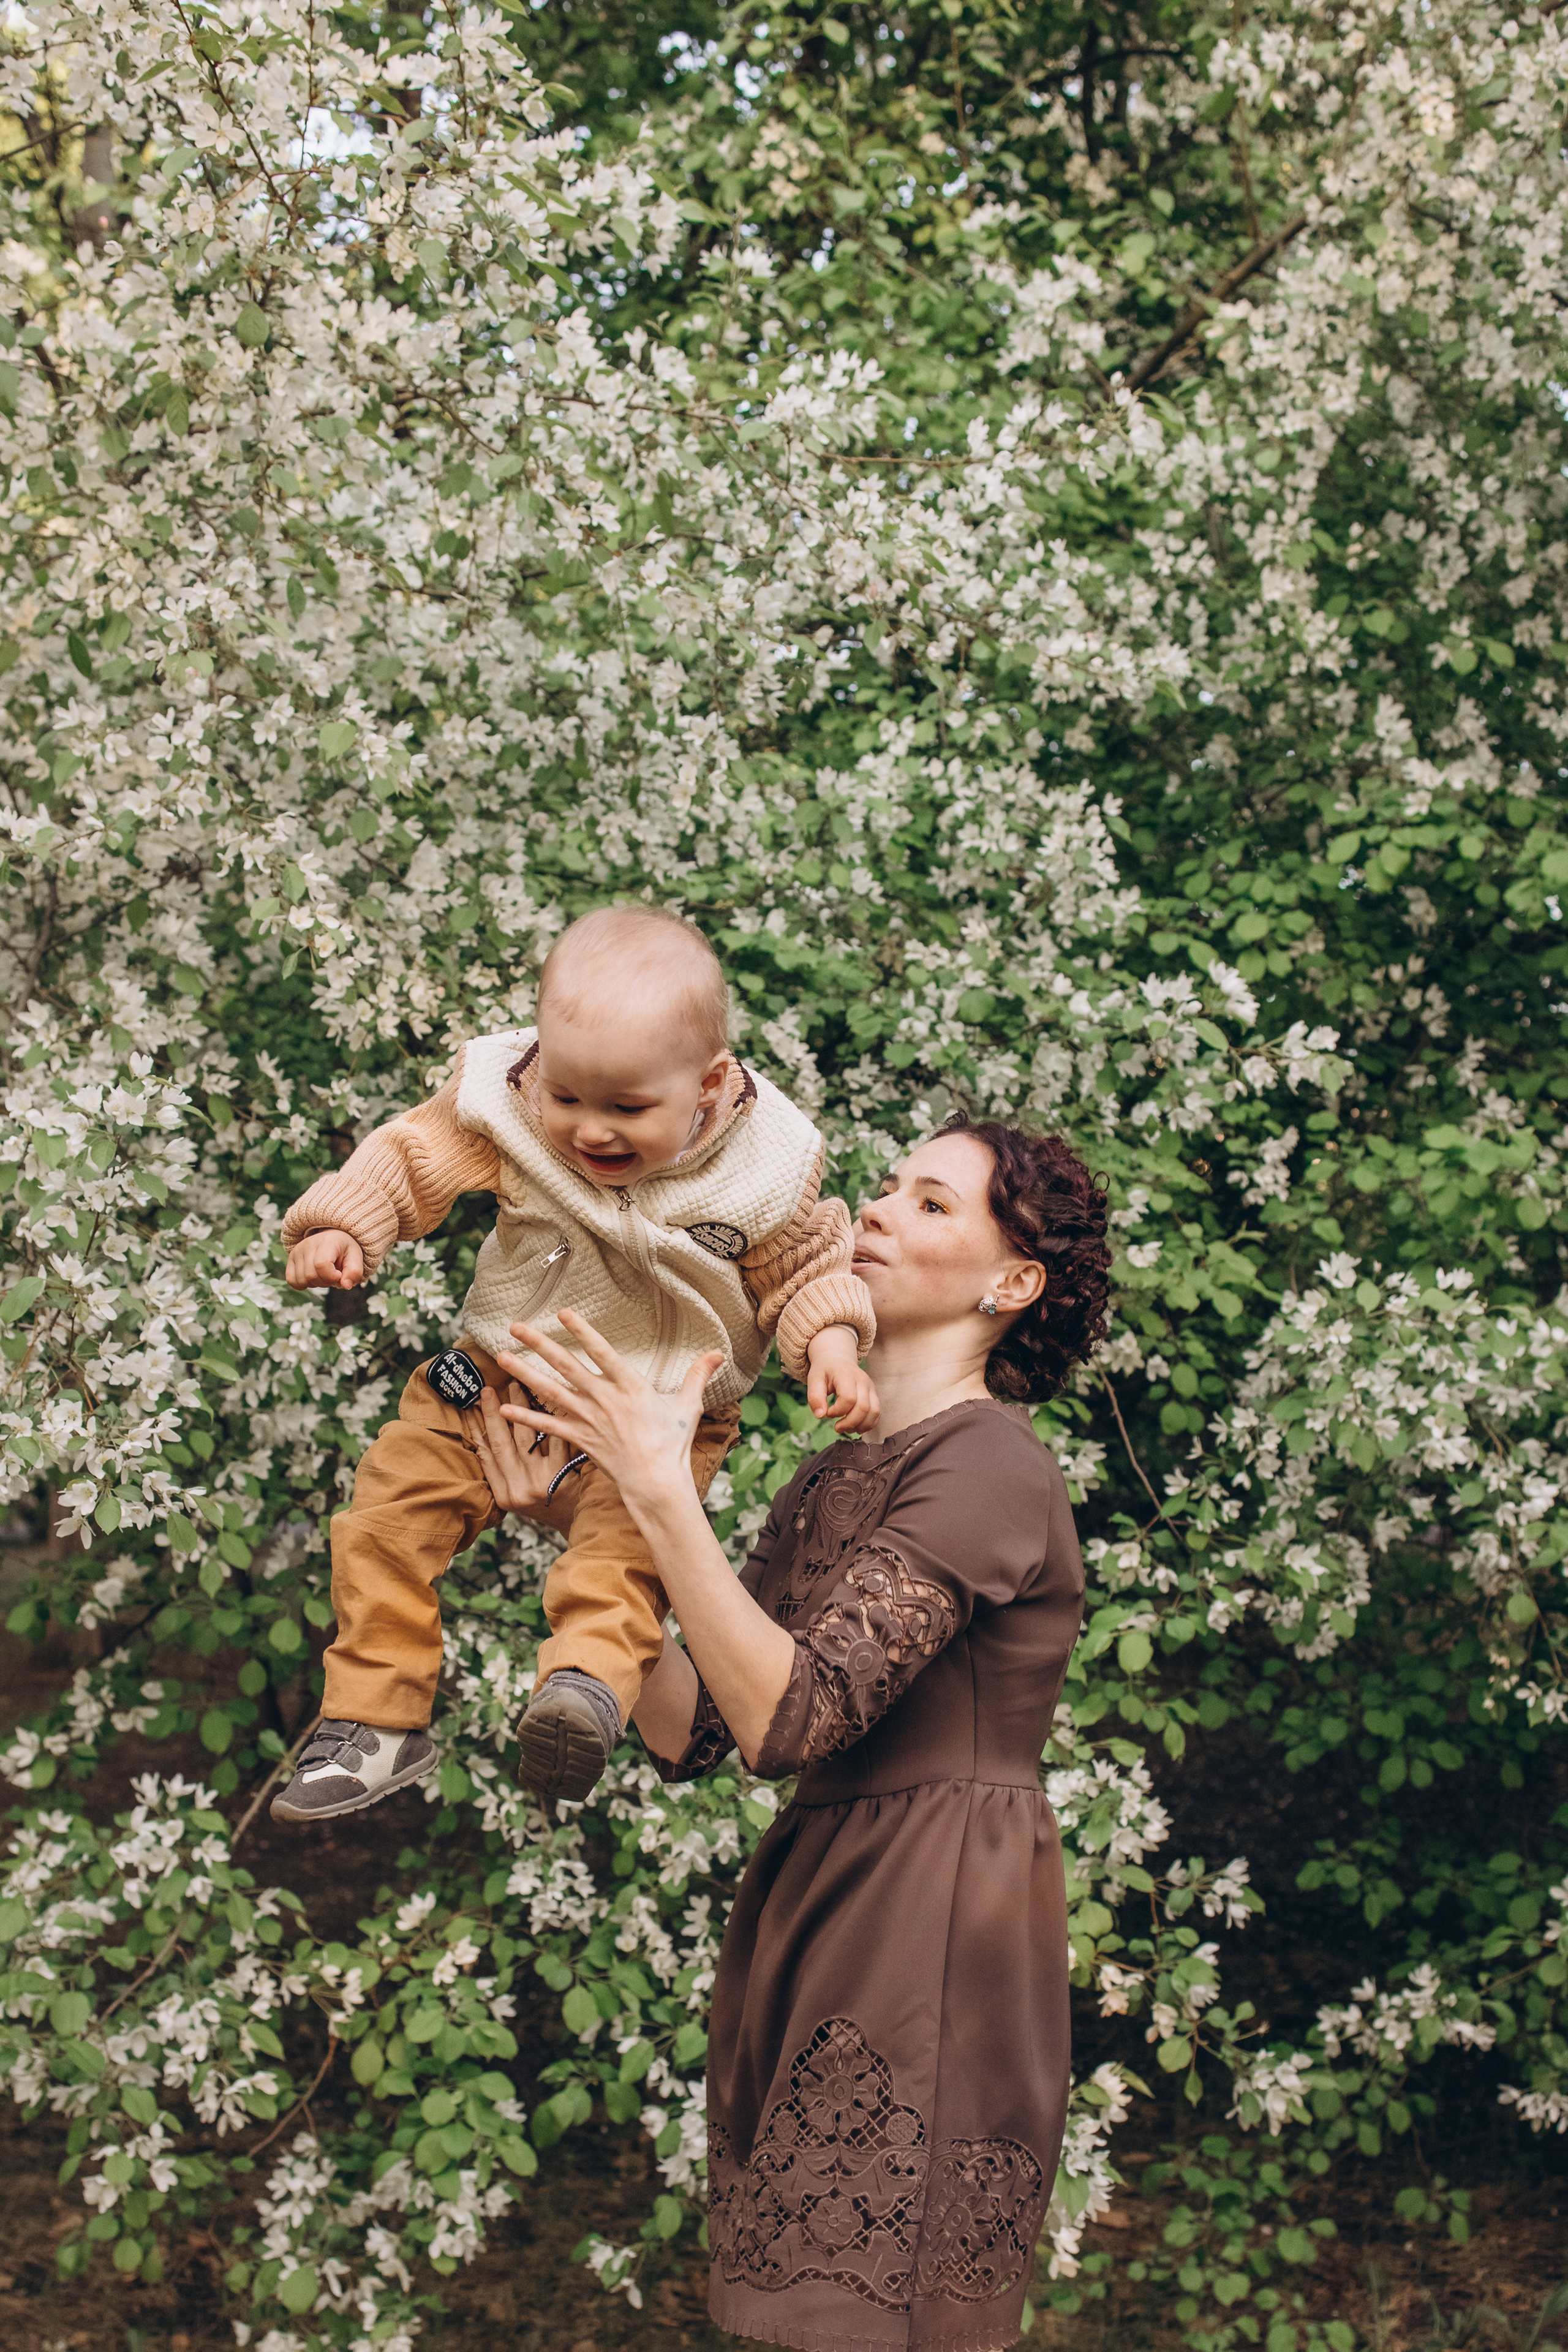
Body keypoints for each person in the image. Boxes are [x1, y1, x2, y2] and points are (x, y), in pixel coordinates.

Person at [471, 1112, 1110, 2352]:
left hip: (934, 1900)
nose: (871, 1211)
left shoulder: (989, 1461)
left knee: (866, 2320)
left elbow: (792, 1714)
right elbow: (696, 1724)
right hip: (824, 1886)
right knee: (794, 2315)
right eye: (883, 1189)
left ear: (1009, 1282)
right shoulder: (832, 1475)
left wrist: (660, 1489)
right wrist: (571, 1515)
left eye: (929, 1204)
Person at [270, 905, 878, 1824]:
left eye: (628, 1109)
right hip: (494, 1374)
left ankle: (586, 1689)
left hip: (659, 1412)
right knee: (387, 1510)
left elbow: (801, 1267)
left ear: (709, 1085)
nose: (590, 1131)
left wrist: (829, 1339)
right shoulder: (507, 1097)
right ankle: (374, 1718)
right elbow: (413, 1154)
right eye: (568, 1099)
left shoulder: (764, 1163)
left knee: (624, 1554)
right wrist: (343, 1222)